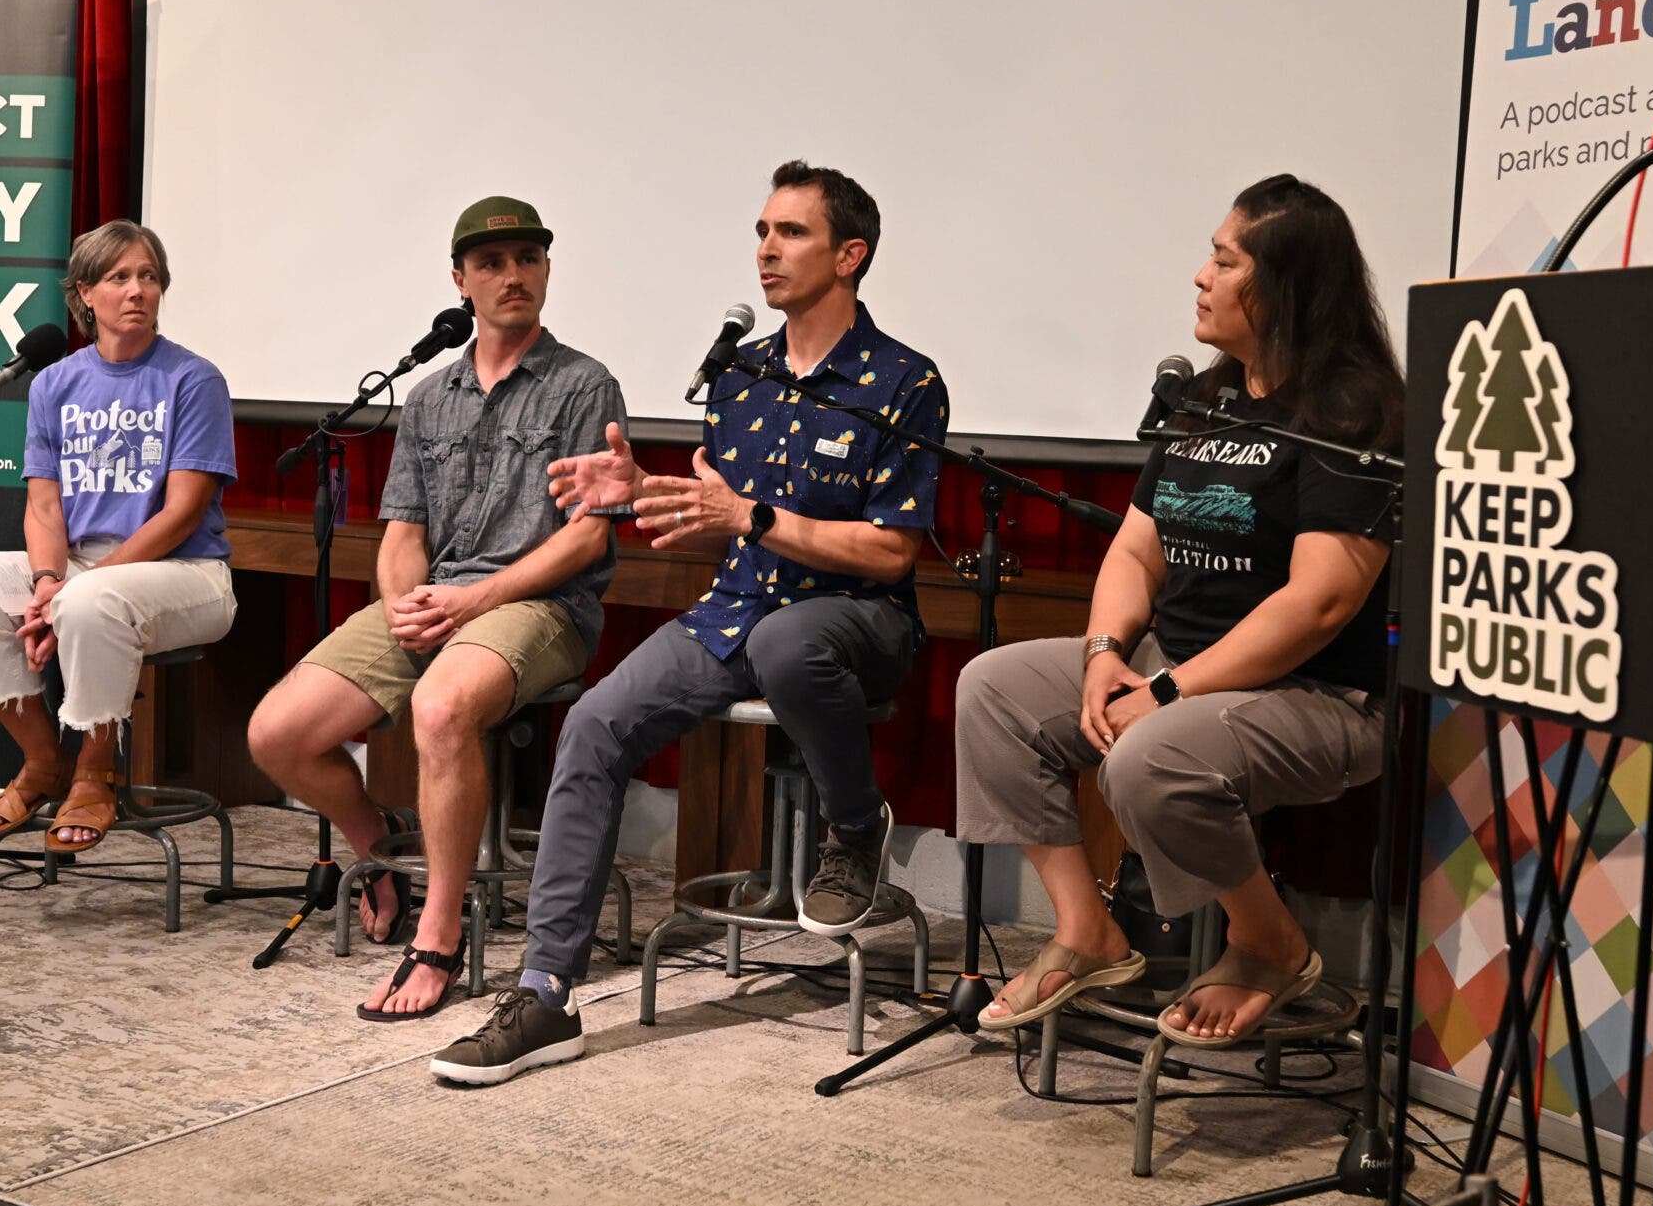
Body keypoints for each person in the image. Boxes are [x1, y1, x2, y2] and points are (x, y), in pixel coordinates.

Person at [430, 160, 948, 1085]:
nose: (766, 251)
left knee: (792, 643)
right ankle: (546, 992)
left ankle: (855, 826)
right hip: (737, 610)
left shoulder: (903, 381)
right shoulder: (742, 378)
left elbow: (890, 555)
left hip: (856, 623)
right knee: (592, 725)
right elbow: (717, 530)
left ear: (850, 255)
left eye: (790, 233)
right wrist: (641, 497)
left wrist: (750, 518)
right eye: (761, 231)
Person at [953, 175, 1402, 1047]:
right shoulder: (1203, 397)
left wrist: (1165, 692)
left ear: (1285, 286)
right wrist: (1104, 653)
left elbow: (1320, 603)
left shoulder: (1354, 410)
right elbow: (1134, 548)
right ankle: (1090, 930)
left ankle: (1267, 939)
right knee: (992, 690)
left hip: (1317, 697)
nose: (1201, 275)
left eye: (1225, 259)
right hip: (1176, 666)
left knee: (1150, 757)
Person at [246, 197, 625, 1022]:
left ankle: (441, 932)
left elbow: (586, 541)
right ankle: (377, 847)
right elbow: (401, 533)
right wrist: (404, 604)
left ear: (548, 272)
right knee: (276, 733)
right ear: (460, 281)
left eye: (527, 258)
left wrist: (473, 600)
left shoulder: (582, 384)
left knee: (442, 705)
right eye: (491, 263)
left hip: (539, 606)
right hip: (438, 599)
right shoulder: (428, 397)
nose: (512, 275)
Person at [0, 220, 238, 851]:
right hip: (74, 567)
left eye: (148, 277)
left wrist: (71, 592)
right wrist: (46, 583)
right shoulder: (54, 383)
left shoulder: (194, 379)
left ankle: (97, 768)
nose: (137, 291)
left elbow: (180, 513)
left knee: (91, 601)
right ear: (85, 294)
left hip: (186, 572)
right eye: (119, 278)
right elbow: (43, 506)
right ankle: (44, 761)